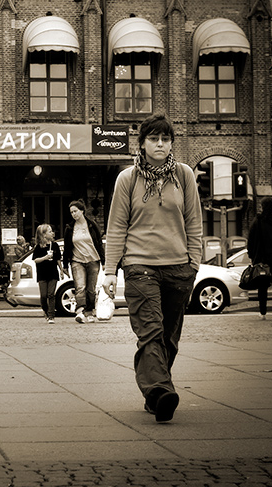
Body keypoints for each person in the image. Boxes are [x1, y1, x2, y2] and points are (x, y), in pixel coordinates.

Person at [102, 113, 202, 423]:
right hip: (139, 267)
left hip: (178, 269)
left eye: (165, 139)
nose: (160, 144)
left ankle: (154, 396)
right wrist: (109, 270)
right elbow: (117, 226)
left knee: (168, 337)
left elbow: (193, 222)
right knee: (151, 332)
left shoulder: (184, 175)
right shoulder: (128, 178)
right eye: (153, 139)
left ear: (171, 143)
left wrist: (194, 264)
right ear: (142, 144)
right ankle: (161, 390)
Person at [62, 199, 105, 324]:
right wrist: (65, 265)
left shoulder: (92, 225)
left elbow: (99, 244)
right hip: (77, 260)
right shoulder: (70, 228)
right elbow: (67, 248)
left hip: (93, 260)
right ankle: (80, 312)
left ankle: (90, 312)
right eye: (71, 212)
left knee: (90, 289)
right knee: (80, 287)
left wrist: (104, 261)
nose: (73, 214)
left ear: (82, 211)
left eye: (75, 211)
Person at [31, 223, 64, 324]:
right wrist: (45, 258)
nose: (52, 233)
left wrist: (61, 270)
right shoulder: (38, 247)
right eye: (50, 231)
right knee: (44, 296)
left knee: (51, 294)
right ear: (44, 235)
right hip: (42, 274)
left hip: (53, 273)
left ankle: (51, 316)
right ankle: (45, 310)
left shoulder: (54, 245)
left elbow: (58, 259)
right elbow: (35, 260)